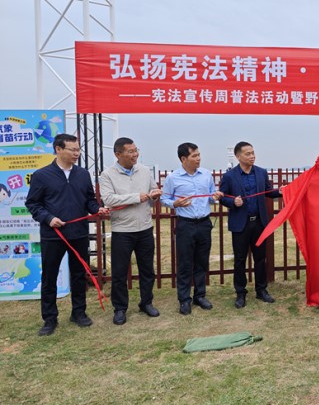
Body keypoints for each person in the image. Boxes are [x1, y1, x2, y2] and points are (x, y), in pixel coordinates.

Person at [26, 133, 109, 336]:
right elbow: (33, 204)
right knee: (50, 276)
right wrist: (48, 218)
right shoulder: (41, 175)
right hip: (53, 235)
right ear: (58, 149)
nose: (77, 153)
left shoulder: (82, 174)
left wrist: (97, 209)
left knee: (79, 275)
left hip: (78, 233)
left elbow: (89, 200)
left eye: (78, 150)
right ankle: (49, 319)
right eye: (73, 150)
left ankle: (78, 313)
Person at [99, 137, 162, 325]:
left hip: (145, 228)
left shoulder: (144, 170)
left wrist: (154, 196)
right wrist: (136, 197)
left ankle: (146, 302)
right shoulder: (107, 175)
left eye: (136, 150)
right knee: (119, 273)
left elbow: (152, 193)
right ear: (118, 154)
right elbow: (109, 200)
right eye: (131, 151)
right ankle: (120, 308)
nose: (135, 154)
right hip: (122, 230)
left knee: (147, 269)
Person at [161, 143, 222, 315]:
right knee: (185, 263)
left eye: (199, 155)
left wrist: (215, 197)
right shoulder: (173, 178)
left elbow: (210, 196)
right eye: (194, 156)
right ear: (183, 159)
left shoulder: (206, 175)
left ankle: (200, 296)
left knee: (202, 262)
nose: (198, 158)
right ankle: (184, 299)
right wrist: (175, 203)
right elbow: (164, 199)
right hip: (185, 224)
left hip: (204, 223)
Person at [220, 142, 282, 309]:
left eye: (253, 153)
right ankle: (240, 293)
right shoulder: (229, 176)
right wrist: (233, 202)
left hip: (259, 222)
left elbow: (268, 192)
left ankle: (261, 290)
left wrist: (280, 191)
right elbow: (222, 197)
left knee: (260, 258)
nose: (252, 156)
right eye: (248, 153)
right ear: (238, 156)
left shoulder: (261, 172)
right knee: (240, 260)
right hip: (241, 224)